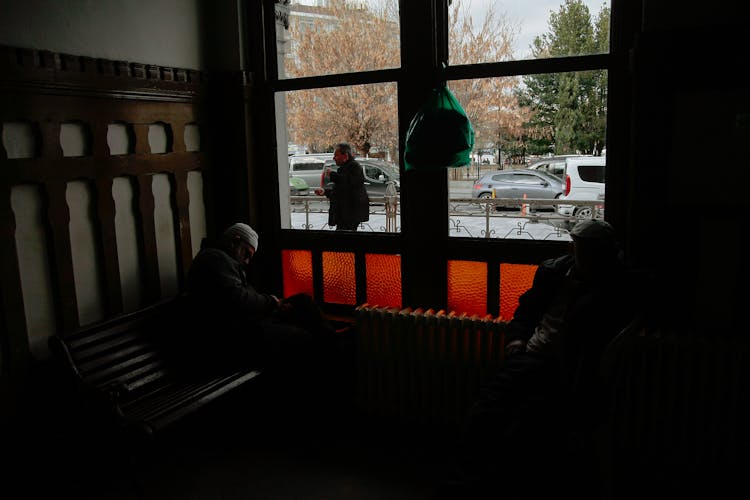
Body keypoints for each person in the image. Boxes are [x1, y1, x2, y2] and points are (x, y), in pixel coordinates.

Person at [445, 219, 634, 500]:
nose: (579, 253)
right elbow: (527, 310)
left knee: (523, 426)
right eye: (578, 247)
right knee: (484, 413)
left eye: (588, 249)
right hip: (530, 355)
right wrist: (517, 340)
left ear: (606, 253)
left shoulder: (614, 286)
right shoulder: (554, 272)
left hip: (567, 369)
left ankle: (489, 483)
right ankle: (465, 483)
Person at [179, 222, 342, 384]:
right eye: (247, 254)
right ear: (234, 241)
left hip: (245, 325)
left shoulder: (219, 260)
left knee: (303, 302)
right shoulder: (214, 259)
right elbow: (237, 298)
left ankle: (335, 346)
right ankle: (337, 354)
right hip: (235, 337)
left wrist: (273, 305)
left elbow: (240, 297)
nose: (247, 261)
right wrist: (271, 302)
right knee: (305, 338)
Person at [320, 142, 370, 231]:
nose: (334, 158)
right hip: (345, 214)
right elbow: (340, 190)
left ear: (345, 156)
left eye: (336, 155)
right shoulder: (345, 168)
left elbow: (347, 183)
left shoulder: (354, 167)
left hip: (349, 214)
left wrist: (332, 174)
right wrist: (324, 192)